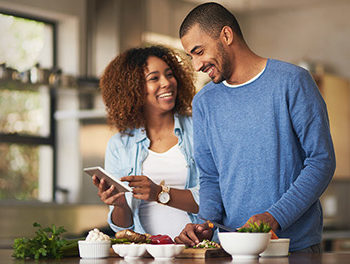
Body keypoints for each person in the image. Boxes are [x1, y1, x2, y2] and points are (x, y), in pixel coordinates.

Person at [174, 2, 335, 253]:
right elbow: (210, 176)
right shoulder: (204, 102)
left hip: (293, 247)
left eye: (199, 51)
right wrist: (204, 223)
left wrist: (275, 217)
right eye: (191, 56)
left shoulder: (292, 82)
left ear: (226, 35)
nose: (196, 65)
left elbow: (321, 161)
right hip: (230, 248)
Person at [93, 45, 199, 239]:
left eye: (169, 74)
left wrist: (159, 193)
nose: (167, 83)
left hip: (196, 249)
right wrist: (119, 204)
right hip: (147, 253)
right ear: (133, 89)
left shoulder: (199, 130)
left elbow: (213, 200)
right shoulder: (120, 145)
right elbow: (122, 227)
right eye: (154, 78)